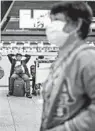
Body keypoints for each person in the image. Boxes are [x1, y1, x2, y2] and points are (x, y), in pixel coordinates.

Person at [40, 2, 95, 131]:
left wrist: (68, 128)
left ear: (77, 24)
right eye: (51, 21)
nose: (51, 26)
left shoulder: (87, 58)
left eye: (57, 20)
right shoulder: (62, 60)